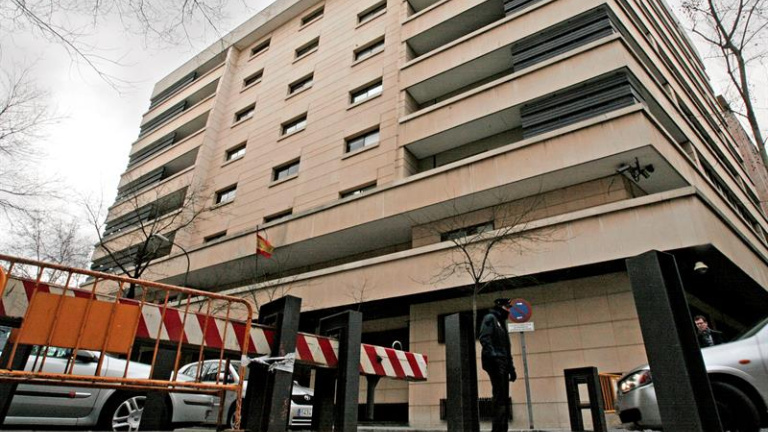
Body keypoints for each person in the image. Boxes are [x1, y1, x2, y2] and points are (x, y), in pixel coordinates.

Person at [479, 298, 517, 432]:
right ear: (500, 307)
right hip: (495, 363)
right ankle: (498, 429)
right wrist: (494, 357)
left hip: (503, 363)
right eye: (507, 307)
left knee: (503, 398)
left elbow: (506, 348)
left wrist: (511, 368)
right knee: (500, 397)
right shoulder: (490, 318)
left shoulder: (501, 323)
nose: (509, 310)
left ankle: (502, 428)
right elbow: (484, 338)